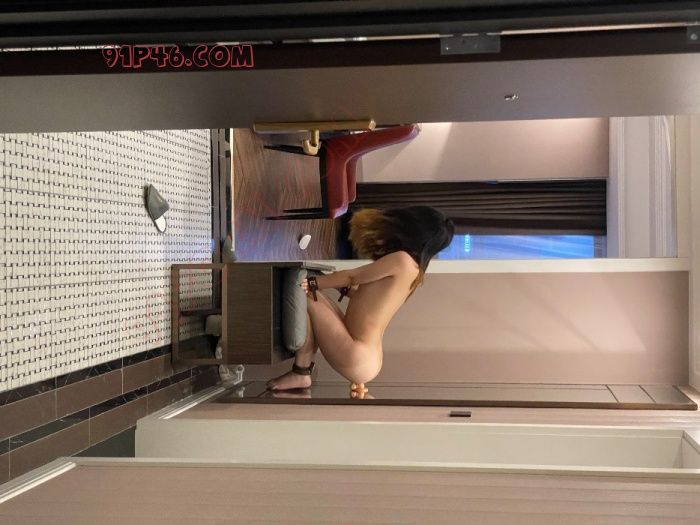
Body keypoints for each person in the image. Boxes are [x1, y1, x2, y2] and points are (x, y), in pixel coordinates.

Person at [266, 205, 455, 395]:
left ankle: (301, 371)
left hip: (357, 352)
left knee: (304, 292)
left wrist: (314, 282)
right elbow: (367, 298)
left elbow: (353, 277)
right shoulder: (414, 271)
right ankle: (302, 370)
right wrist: (332, 285)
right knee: (312, 295)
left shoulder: (402, 260)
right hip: (367, 357)